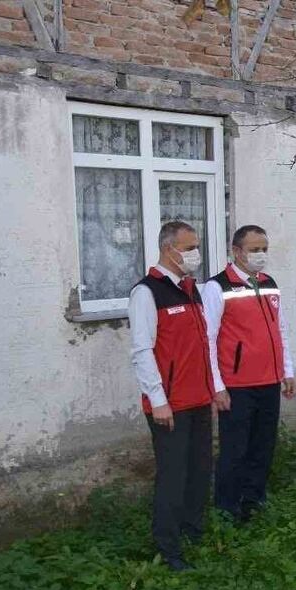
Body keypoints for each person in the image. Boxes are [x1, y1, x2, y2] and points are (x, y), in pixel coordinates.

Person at [128, 220, 215, 571]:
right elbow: (142, 351)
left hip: (198, 400)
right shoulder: (147, 292)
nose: (195, 253)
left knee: (199, 472)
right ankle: (168, 549)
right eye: (189, 247)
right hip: (169, 407)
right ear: (169, 249)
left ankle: (193, 531)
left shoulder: (191, 289)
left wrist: (213, 391)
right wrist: (158, 399)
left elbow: (201, 345)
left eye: (196, 246)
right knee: (173, 477)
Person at [203, 224, 296, 523]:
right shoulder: (218, 287)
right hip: (237, 386)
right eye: (254, 250)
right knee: (235, 449)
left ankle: (254, 500)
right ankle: (227, 508)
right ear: (236, 251)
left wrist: (287, 370)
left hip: (269, 381)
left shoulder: (269, 283)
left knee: (263, 445)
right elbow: (208, 338)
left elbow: (279, 329)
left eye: (264, 249)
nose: (260, 255)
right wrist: (217, 386)